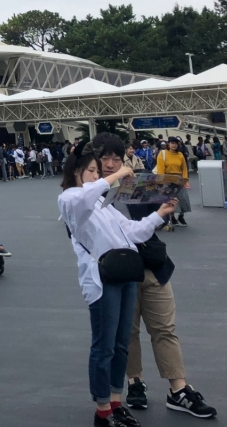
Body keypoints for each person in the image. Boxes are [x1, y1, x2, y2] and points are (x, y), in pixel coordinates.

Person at [85, 134, 219, 421]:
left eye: (116, 159)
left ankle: (178, 389)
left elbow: (154, 218)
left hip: (152, 266)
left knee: (164, 328)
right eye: (104, 159)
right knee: (126, 335)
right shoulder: (87, 195)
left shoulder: (138, 183)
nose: (110, 165)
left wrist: (164, 203)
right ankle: (134, 382)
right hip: (118, 273)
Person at [58, 140, 178, 427]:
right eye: (91, 171)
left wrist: (159, 214)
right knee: (104, 347)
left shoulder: (103, 206)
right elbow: (85, 197)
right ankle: (102, 411)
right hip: (101, 281)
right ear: (76, 172)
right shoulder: (70, 201)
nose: (97, 176)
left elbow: (132, 232)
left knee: (121, 344)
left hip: (124, 276)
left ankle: (115, 402)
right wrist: (116, 175)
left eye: (97, 172)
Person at [155, 137, 190, 228]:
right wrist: (162, 181)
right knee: (171, 199)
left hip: (179, 179)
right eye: (172, 143)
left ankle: (181, 216)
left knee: (183, 199)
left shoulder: (180, 155)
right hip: (168, 178)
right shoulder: (163, 154)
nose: (174, 145)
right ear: (168, 144)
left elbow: (184, 168)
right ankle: (172, 217)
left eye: (175, 143)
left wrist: (185, 180)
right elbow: (160, 169)